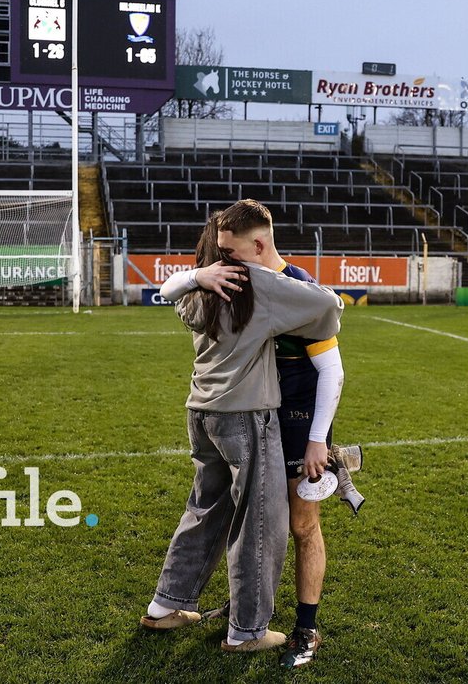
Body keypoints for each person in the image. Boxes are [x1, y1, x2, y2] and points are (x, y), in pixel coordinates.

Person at [159, 199, 349, 668]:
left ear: (258, 244)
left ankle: (305, 626)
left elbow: (332, 371)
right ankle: (245, 615)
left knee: (298, 526)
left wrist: (318, 439)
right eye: (217, 251)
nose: (221, 259)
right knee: (250, 521)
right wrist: (199, 274)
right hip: (252, 418)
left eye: (229, 250)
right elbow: (175, 290)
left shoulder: (296, 286)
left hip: (296, 422)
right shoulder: (225, 281)